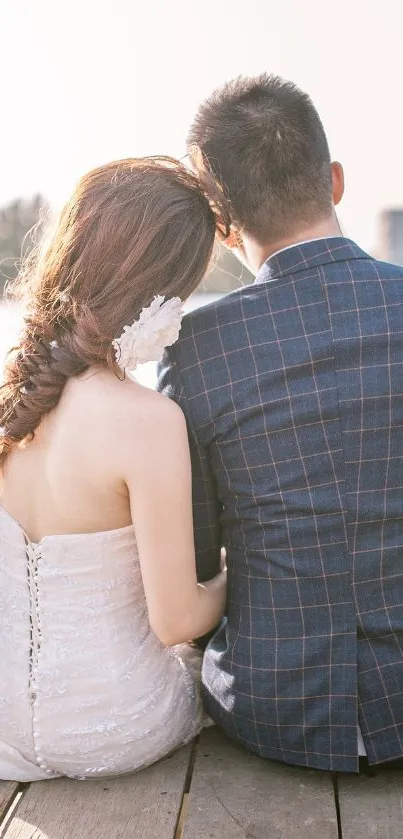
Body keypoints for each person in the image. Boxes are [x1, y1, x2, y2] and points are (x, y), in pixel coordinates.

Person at [158, 74, 403, 773]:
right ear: (334, 180)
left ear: (222, 224)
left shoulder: (195, 350)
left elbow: (200, 559)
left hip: (275, 708)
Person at [0, 157, 227, 782]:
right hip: (117, 725)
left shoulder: (15, 400)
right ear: (158, 292)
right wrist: (233, 577)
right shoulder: (147, 419)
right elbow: (176, 620)